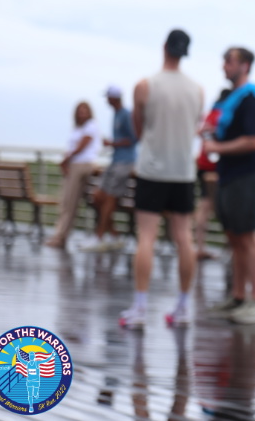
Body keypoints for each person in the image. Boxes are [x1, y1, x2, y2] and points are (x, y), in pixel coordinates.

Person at [120, 29, 204, 330]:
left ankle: (140, 308)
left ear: (164, 47)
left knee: (147, 237)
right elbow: (195, 127)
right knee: (184, 238)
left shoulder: (145, 86)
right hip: (183, 172)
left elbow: (139, 130)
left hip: (152, 170)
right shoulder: (197, 90)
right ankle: (183, 307)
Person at [202, 47, 255, 325]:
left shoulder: (252, 99)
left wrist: (217, 147)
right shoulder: (231, 100)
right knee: (234, 236)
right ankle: (238, 296)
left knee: (248, 236)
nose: (224, 66)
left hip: (247, 175)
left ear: (244, 66)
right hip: (229, 174)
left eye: (229, 62)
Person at [81, 86, 138, 252]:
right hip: (115, 161)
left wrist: (112, 143)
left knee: (109, 199)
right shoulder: (116, 114)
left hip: (125, 162)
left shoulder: (126, 115)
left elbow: (133, 139)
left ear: (115, 98)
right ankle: (114, 235)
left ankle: (99, 237)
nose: (106, 100)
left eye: (108, 97)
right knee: (97, 196)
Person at [45, 101, 102, 249]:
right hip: (74, 165)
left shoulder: (91, 126)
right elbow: (73, 147)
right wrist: (67, 162)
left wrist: (67, 160)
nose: (82, 113)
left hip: (81, 165)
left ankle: (60, 237)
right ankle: (60, 235)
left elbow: (82, 146)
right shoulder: (78, 128)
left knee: (69, 203)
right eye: (80, 111)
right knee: (65, 202)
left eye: (85, 110)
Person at [194, 88, 231, 261]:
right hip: (218, 167)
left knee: (204, 207)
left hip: (203, 165)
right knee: (224, 208)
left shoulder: (210, 114)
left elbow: (200, 132)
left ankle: (199, 246)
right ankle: (231, 249)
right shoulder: (225, 115)